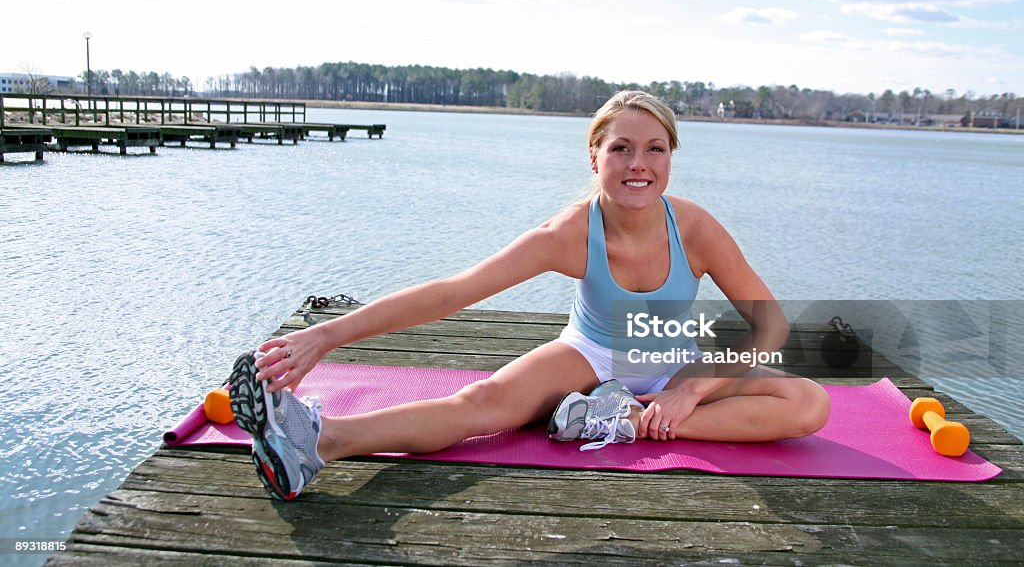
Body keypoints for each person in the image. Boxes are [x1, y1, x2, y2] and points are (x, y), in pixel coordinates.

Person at [229, 90, 831, 501]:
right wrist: (325, 334)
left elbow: (769, 323)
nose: (638, 164)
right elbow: (451, 294)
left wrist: (692, 393)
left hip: (674, 360)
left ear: (672, 157)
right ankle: (319, 443)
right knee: (483, 405)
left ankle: (622, 422)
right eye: (620, 148)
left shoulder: (695, 227)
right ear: (594, 157)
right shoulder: (569, 234)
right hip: (590, 355)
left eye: (655, 149)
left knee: (809, 403)